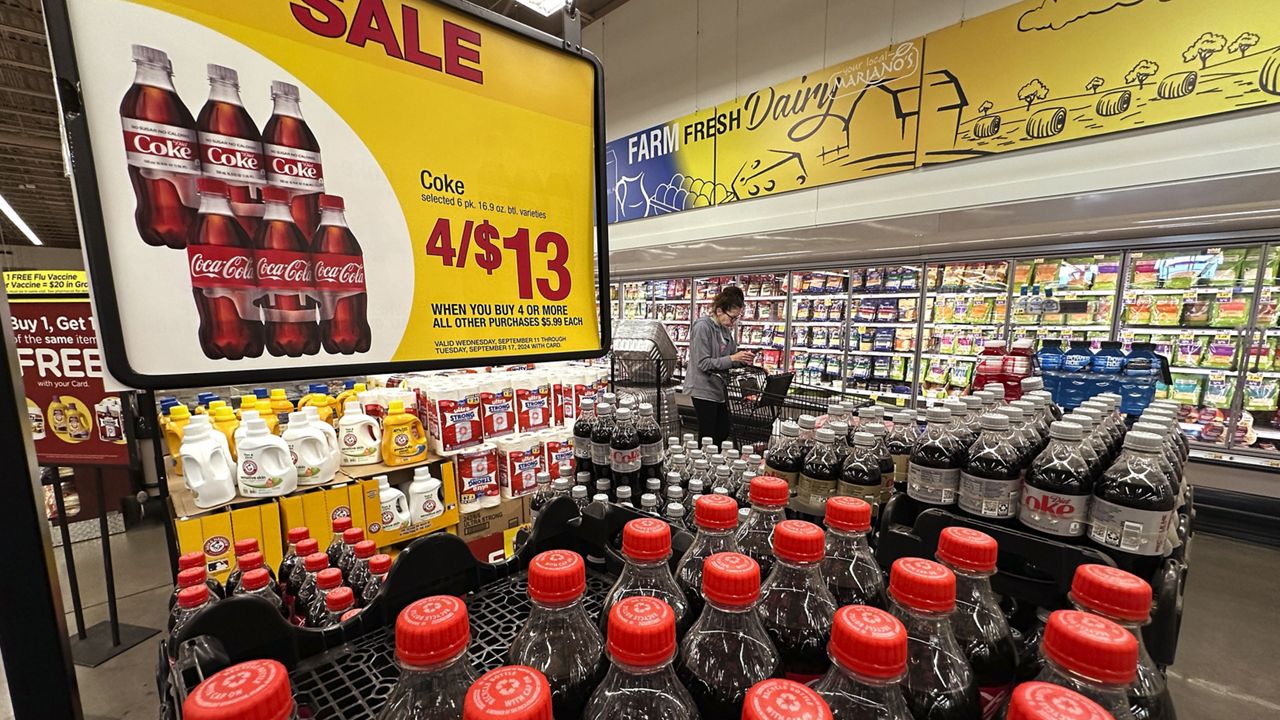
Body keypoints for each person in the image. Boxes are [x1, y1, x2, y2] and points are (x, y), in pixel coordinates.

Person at [688, 286, 754, 445]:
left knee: (723, 429)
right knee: (708, 435)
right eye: (732, 318)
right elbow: (703, 363)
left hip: (719, 389)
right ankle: (704, 465)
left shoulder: (725, 331)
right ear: (719, 311)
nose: (733, 322)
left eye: (736, 318)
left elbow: (729, 358)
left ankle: (713, 462)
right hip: (703, 389)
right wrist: (733, 358)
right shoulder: (702, 327)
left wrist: (744, 359)